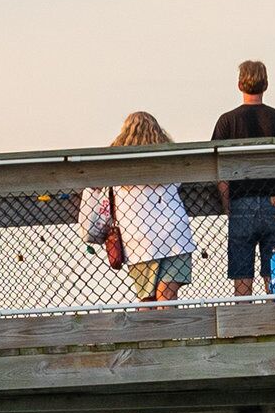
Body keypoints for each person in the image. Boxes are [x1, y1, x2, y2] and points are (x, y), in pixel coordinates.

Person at [78, 112, 195, 303]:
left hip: (139, 238)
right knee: (168, 295)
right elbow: (178, 182)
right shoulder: (168, 158)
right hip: (175, 233)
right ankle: (169, 332)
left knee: (146, 298)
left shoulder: (114, 162)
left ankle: (148, 332)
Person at [211, 61, 275, 298]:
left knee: (242, 274)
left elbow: (220, 172)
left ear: (240, 84)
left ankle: (244, 325)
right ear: (266, 84)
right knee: (274, 273)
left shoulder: (227, 121)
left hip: (241, 203)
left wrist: (226, 203)